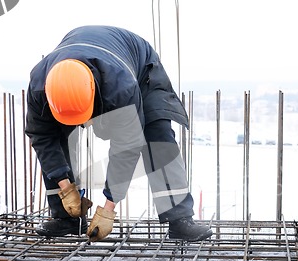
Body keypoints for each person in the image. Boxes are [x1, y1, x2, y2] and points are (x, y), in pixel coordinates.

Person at [25, 25, 213, 242]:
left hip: (140, 71)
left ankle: (180, 220)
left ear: (94, 93)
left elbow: (127, 146)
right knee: (55, 137)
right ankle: (67, 218)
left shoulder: (122, 87)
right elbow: (42, 137)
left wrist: (108, 208)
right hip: (90, 63)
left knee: (156, 133)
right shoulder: (40, 88)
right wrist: (65, 187)